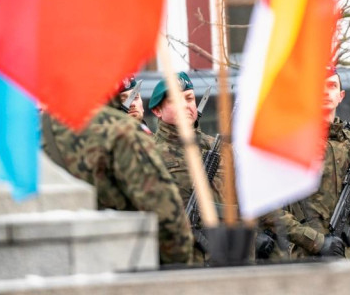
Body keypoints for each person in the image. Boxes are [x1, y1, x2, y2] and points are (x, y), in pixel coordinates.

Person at [41, 78, 193, 265]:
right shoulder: (121, 130)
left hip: (55, 263)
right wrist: (176, 266)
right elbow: (167, 217)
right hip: (119, 260)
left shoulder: (37, 131)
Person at [278, 67, 350, 259]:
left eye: (331, 86)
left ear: (341, 96)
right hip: (306, 256)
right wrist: (316, 241)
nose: (325, 92)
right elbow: (271, 209)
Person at [149, 72, 226, 208]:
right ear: (157, 111)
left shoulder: (219, 148)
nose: (185, 105)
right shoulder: (149, 153)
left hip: (225, 228)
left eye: (189, 99)